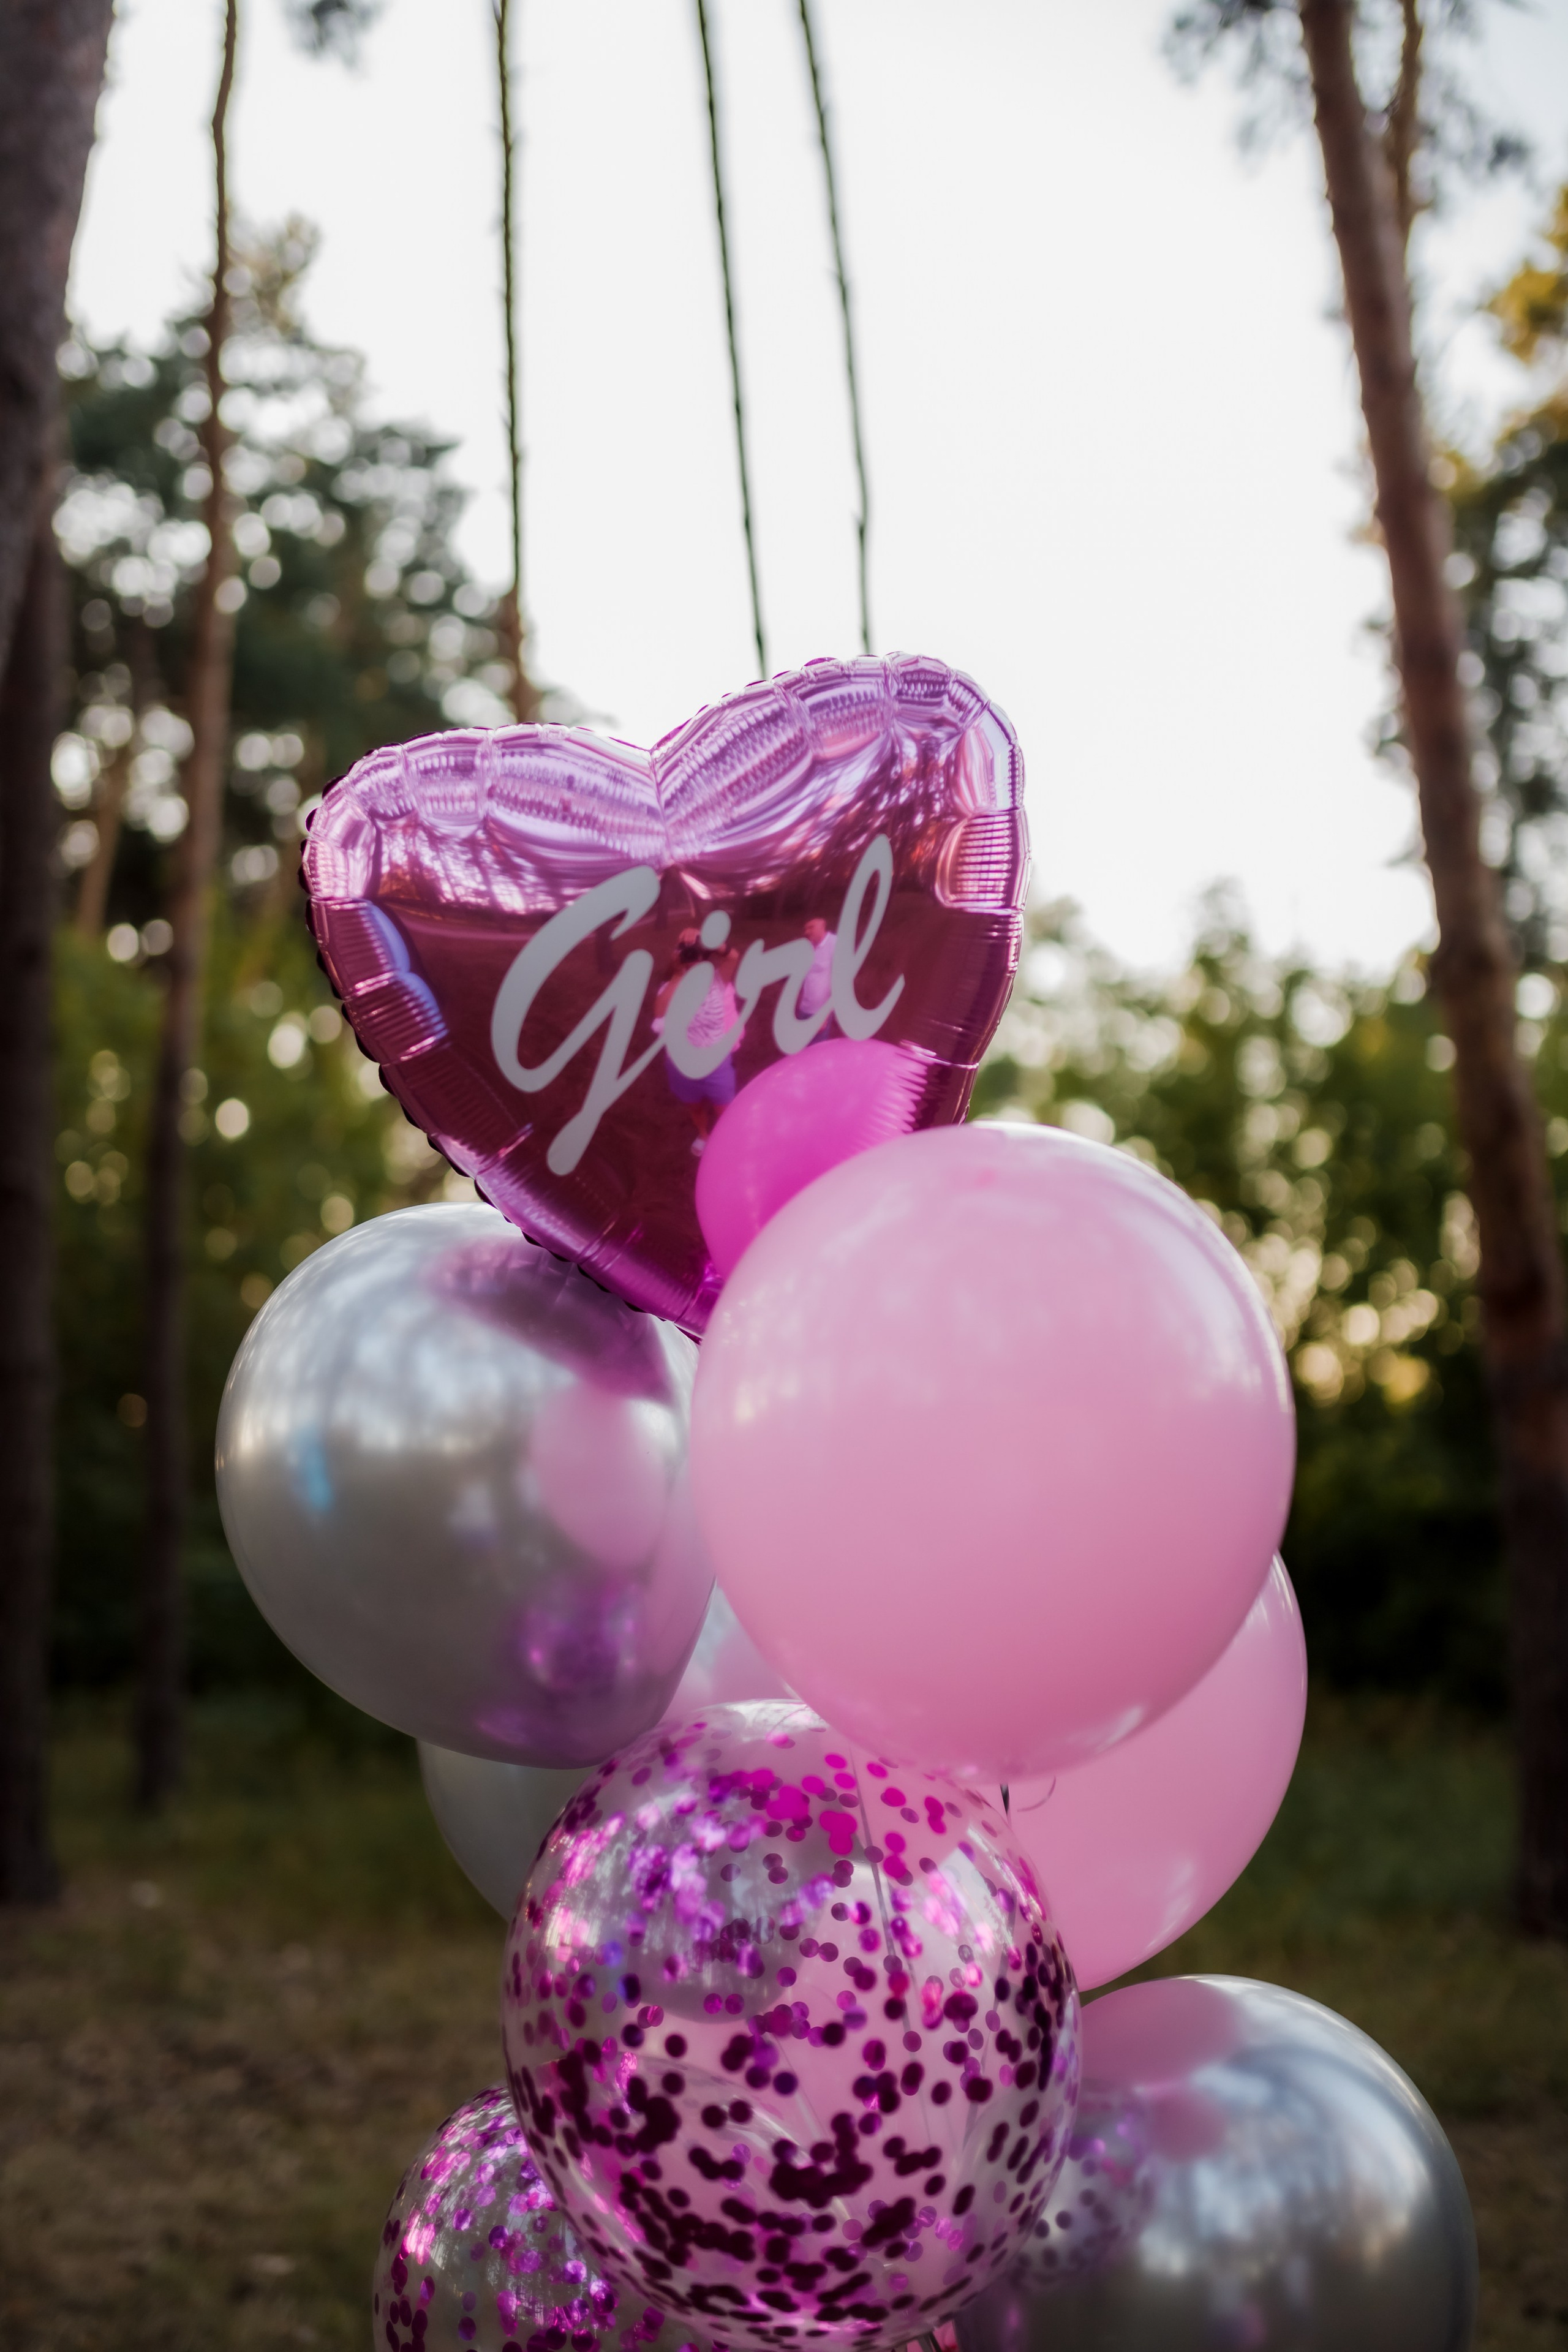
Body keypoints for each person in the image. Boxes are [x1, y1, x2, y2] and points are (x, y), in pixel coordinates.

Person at [654, 928, 744, 1153]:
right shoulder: (672, 986)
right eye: (688, 958)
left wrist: (708, 939)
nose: (693, 964)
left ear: (705, 958)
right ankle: (704, 1135)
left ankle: (726, 1141)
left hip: (716, 1062)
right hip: (682, 1063)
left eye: (698, 957)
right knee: (694, 1107)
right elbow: (659, 1012)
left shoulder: (718, 980)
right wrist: (677, 975)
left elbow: (733, 956)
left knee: (725, 1109)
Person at [799, 914, 837, 1038]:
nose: (807, 932)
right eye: (806, 929)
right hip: (804, 1009)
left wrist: (824, 1016)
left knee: (815, 1051)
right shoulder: (808, 947)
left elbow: (840, 984)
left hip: (820, 1014)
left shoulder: (835, 944)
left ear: (823, 925)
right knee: (801, 1049)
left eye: (811, 927)